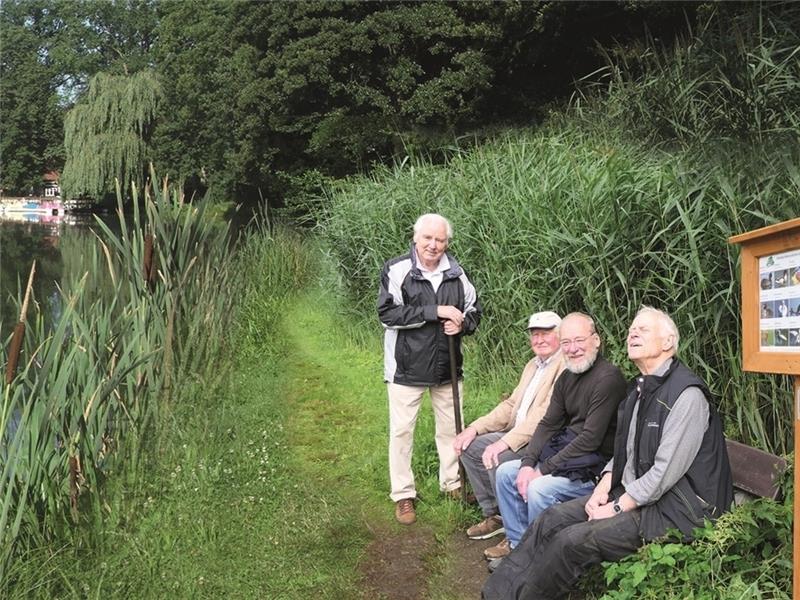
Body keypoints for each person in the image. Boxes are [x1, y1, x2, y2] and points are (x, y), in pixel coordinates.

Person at [483, 306, 733, 599]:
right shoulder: (640, 389)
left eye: (643, 329)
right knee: (549, 519)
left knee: (570, 541)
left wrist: (614, 507)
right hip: (640, 496)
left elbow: (664, 474)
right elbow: (624, 452)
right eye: (631, 329)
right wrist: (602, 489)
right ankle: (498, 594)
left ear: (667, 343)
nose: (632, 333)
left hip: (677, 510)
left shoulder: (686, 395)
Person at [485, 312, 626, 560]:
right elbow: (548, 424)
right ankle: (519, 549)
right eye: (566, 343)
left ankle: (541, 559)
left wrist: (542, 470)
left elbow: (590, 440)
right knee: (507, 473)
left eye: (579, 340)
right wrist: (529, 464)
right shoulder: (566, 377)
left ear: (596, 340)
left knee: (539, 488)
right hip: (566, 456)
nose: (573, 349)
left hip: (593, 468)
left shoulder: (608, 378)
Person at [377, 213, 482, 525]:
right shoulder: (397, 270)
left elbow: (475, 311)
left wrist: (462, 324)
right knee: (402, 431)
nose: (433, 246)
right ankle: (403, 494)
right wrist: (435, 311)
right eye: (428, 239)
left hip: (447, 365)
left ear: (447, 242)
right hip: (406, 367)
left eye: (440, 240)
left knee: (450, 430)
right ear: (415, 238)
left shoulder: (457, 273)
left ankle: (451, 484)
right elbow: (387, 314)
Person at [453, 311, 566, 541]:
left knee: (497, 458)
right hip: (515, 431)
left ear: (560, 335)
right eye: (535, 335)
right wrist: (474, 428)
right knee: (470, 447)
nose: (539, 340)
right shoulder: (533, 365)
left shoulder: (563, 367)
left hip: (541, 440)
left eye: (546, 334)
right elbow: (511, 404)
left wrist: (503, 443)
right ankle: (496, 515)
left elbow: (544, 417)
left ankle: (516, 529)